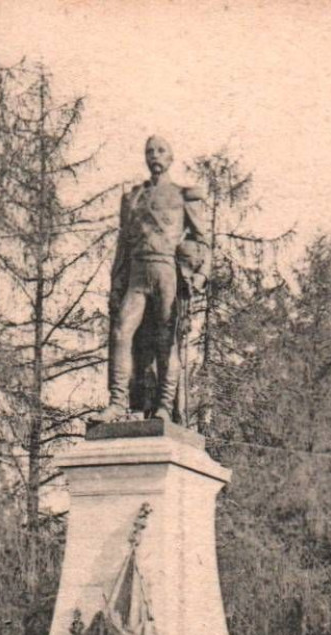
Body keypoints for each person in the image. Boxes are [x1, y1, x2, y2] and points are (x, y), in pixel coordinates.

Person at [96, 135, 208, 425]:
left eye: (161, 151)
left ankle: (163, 406)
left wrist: (199, 276)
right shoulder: (132, 198)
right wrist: (115, 286)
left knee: (165, 341)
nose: (154, 155)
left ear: (170, 158)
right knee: (121, 332)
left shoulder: (184, 196)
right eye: (149, 151)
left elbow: (203, 241)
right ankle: (117, 402)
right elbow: (122, 245)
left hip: (167, 273)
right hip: (136, 274)